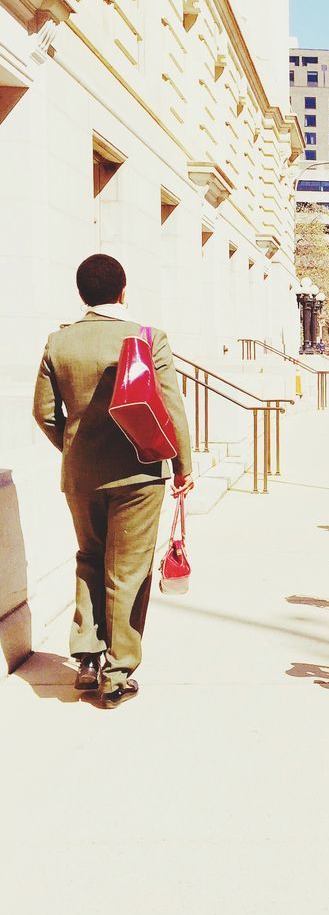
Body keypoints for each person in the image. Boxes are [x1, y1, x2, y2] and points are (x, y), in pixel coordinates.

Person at [32, 254, 194, 707]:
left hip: (81, 474)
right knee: (128, 571)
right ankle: (118, 671)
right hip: (139, 472)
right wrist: (183, 465)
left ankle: (85, 658)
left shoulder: (58, 343)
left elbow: (45, 413)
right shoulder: (147, 338)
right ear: (123, 291)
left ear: (82, 294)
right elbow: (170, 406)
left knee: (89, 557)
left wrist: (74, 450)